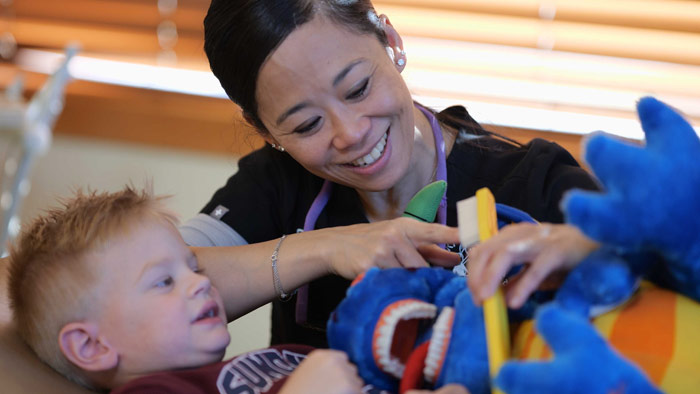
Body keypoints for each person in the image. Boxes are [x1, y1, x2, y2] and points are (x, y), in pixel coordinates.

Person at [185, 0, 600, 348]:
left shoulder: (533, 182)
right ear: (265, 130)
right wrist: (325, 248)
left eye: (358, 88)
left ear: (391, 41)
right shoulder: (277, 181)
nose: (351, 134)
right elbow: (138, 285)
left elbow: (649, 267)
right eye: (308, 124)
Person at [7, 186, 467, 394]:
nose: (200, 281)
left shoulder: (252, 367)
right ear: (90, 344)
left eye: (192, 267)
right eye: (164, 281)